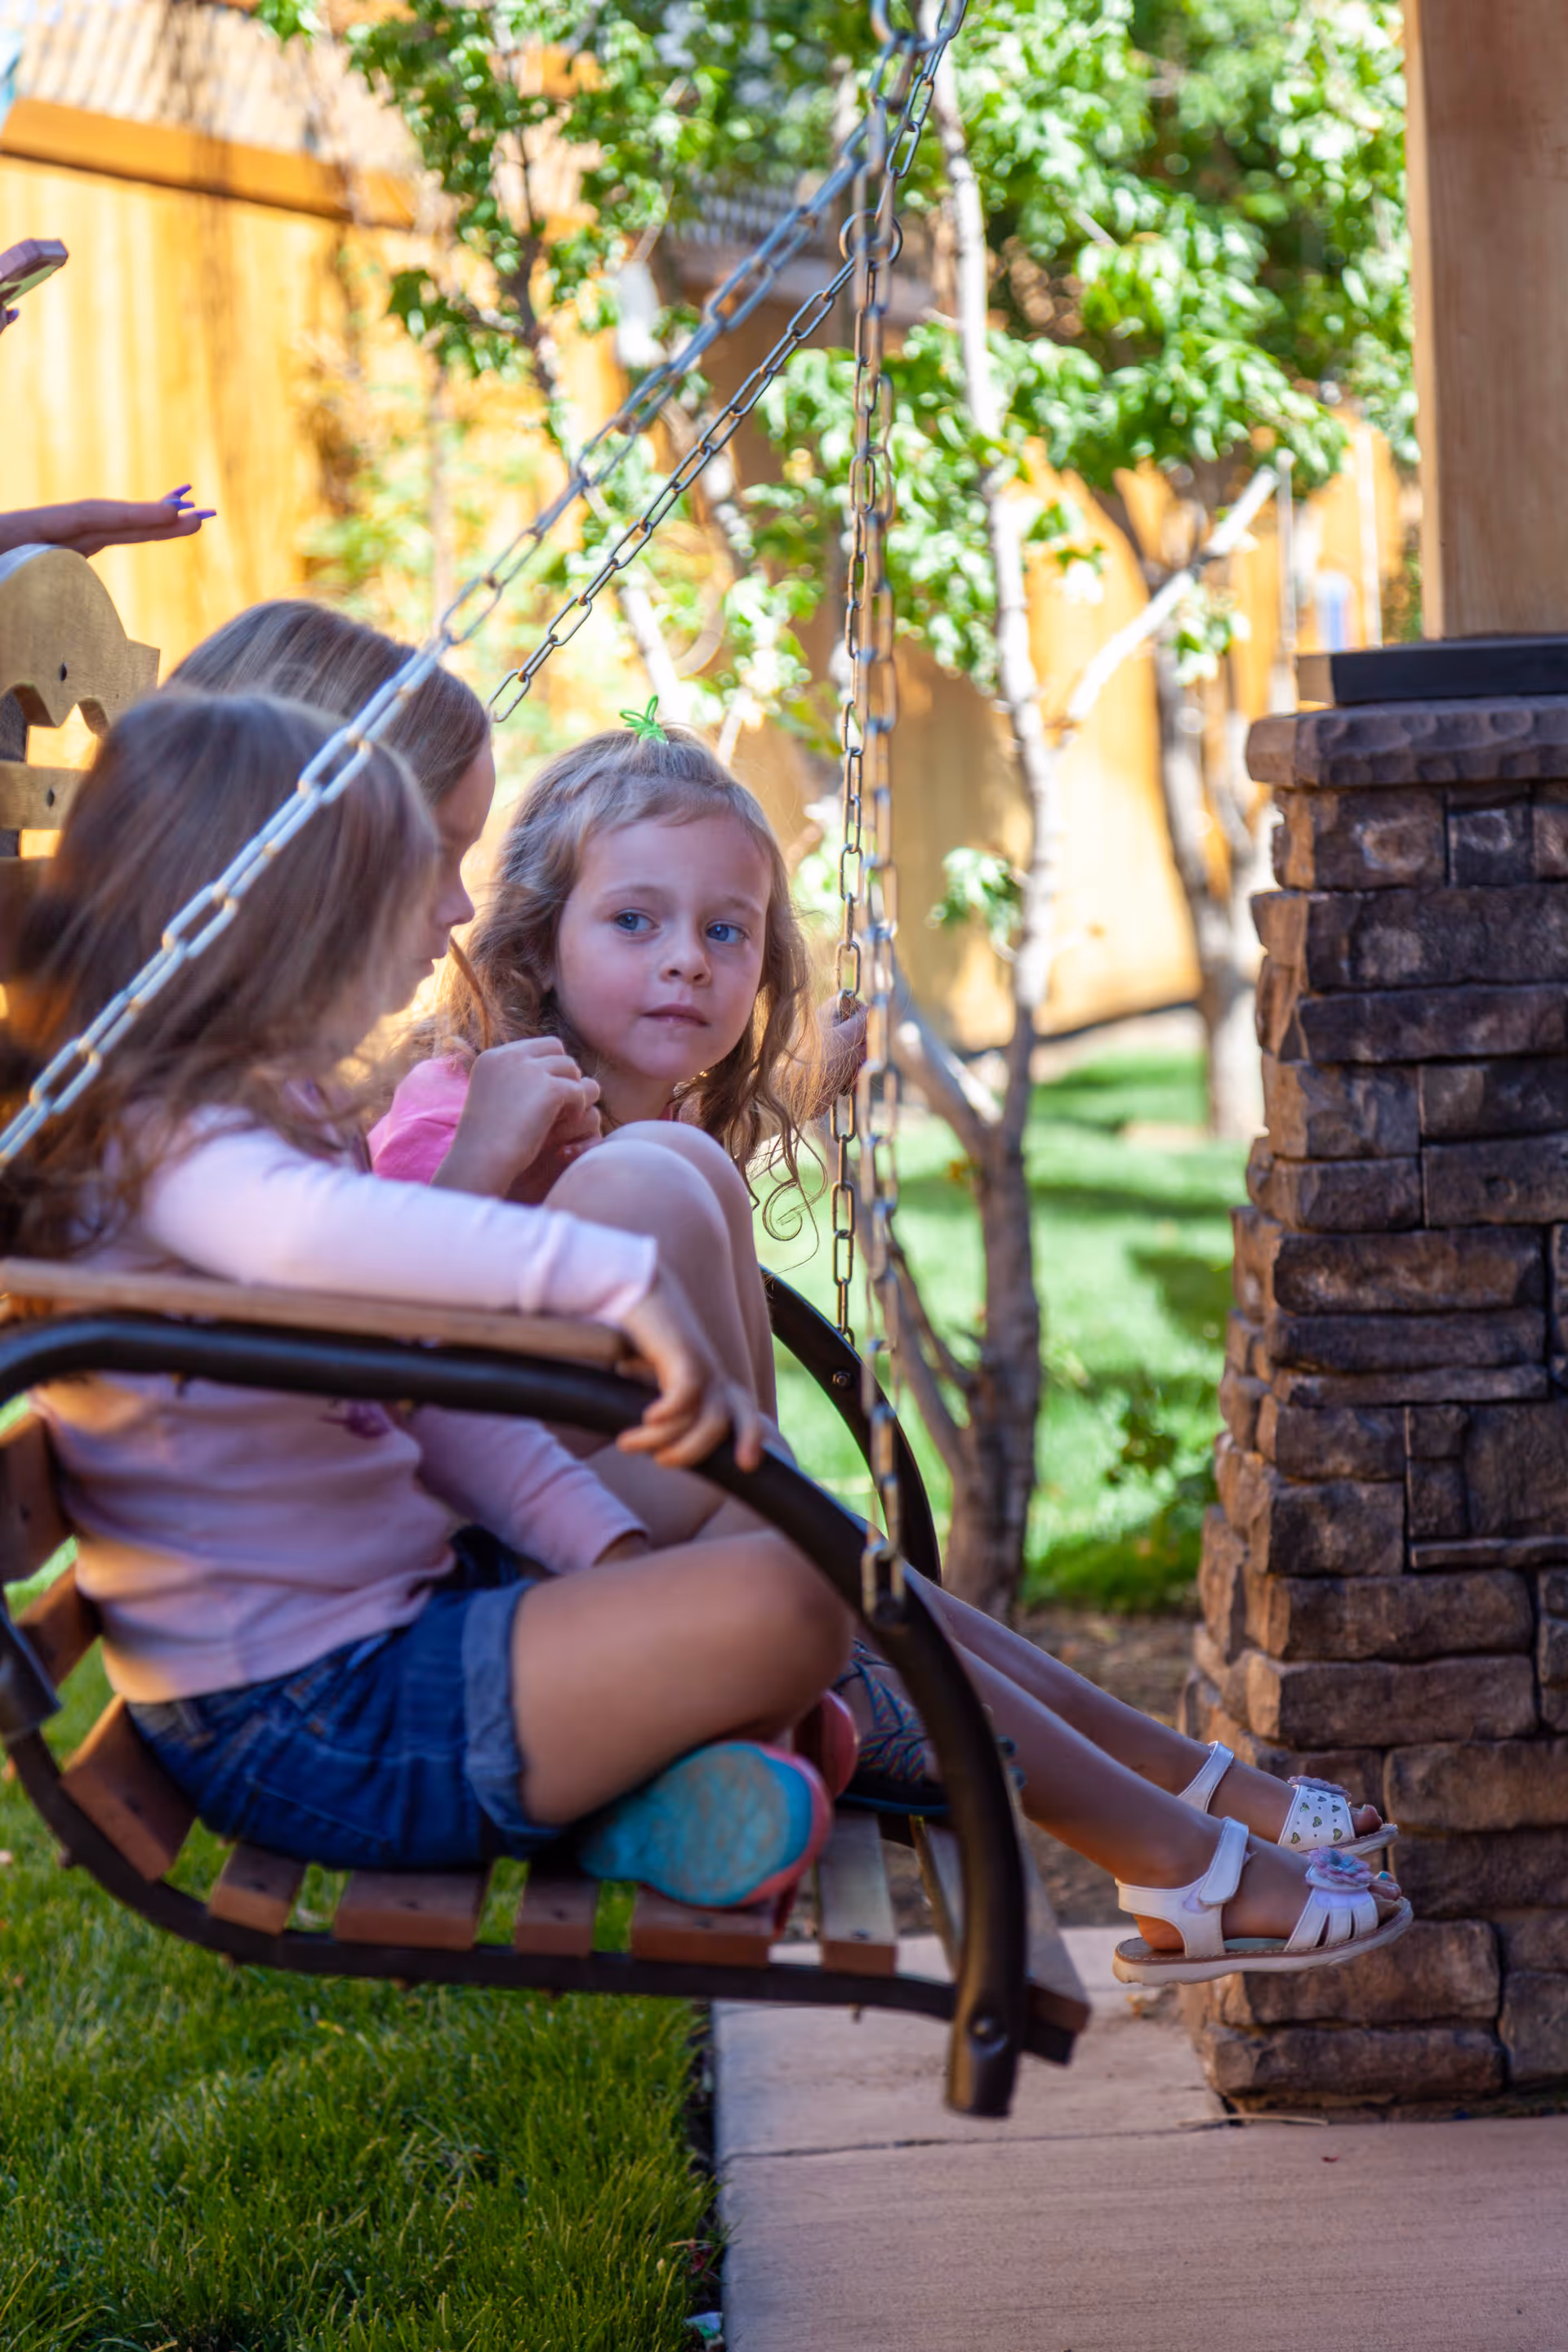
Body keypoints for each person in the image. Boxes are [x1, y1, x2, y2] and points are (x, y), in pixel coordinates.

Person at [369, 719, 1412, 1984]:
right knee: (851, 1572)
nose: (687, 964)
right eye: (634, 923)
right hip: (512, 1594)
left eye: (725, 932)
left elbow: (641, 1220)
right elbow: (410, 1339)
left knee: (865, 1564)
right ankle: (1184, 1847)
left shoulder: (639, 1123)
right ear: (536, 938)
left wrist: (801, 1088)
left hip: (630, 1552)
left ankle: (1196, 1807)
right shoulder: (459, 1108)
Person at [0, 690, 854, 1916]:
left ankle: (643, 1787)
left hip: (407, 1634)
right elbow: (325, 1241)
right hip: (305, 1716)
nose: (454, 915)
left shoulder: (263, 1122)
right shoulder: (168, 1147)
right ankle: (636, 1792)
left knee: (784, 1561)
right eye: (409, 884)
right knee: (794, 1595)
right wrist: (605, 1277)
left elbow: (429, 1398)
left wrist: (602, 1549)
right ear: (274, 921)